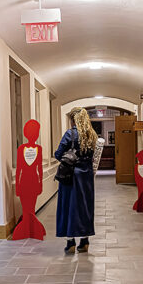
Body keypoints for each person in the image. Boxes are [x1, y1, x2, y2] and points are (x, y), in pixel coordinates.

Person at [54, 107, 97, 253]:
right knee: (85, 207)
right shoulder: (92, 135)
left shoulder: (70, 134)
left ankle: (70, 242)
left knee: (68, 207)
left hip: (70, 176)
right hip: (86, 176)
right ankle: (84, 241)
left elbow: (59, 154)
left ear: (73, 120)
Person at [12, 119, 46, 240]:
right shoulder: (24, 149)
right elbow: (20, 169)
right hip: (29, 181)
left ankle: (30, 229)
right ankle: (28, 229)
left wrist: (40, 184)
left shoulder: (30, 148)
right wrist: (40, 183)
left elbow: (38, 168)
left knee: (30, 208)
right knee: (27, 208)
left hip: (29, 180)